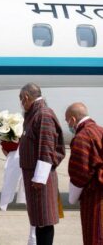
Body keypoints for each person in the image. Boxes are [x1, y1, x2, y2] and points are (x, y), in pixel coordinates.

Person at [18, 83, 65, 245]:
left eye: (21, 99)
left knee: (44, 220)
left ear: (26, 97)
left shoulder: (43, 114)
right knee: (38, 219)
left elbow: (46, 147)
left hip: (41, 179)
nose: (20, 103)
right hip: (34, 176)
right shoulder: (33, 114)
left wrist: (39, 178)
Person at [66, 102, 103, 245]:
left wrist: (72, 197)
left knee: (95, 235)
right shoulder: (100, 130)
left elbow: (80, 172)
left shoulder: (82, 137)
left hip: (95, 194)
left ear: (73, 119)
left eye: (67, 120)